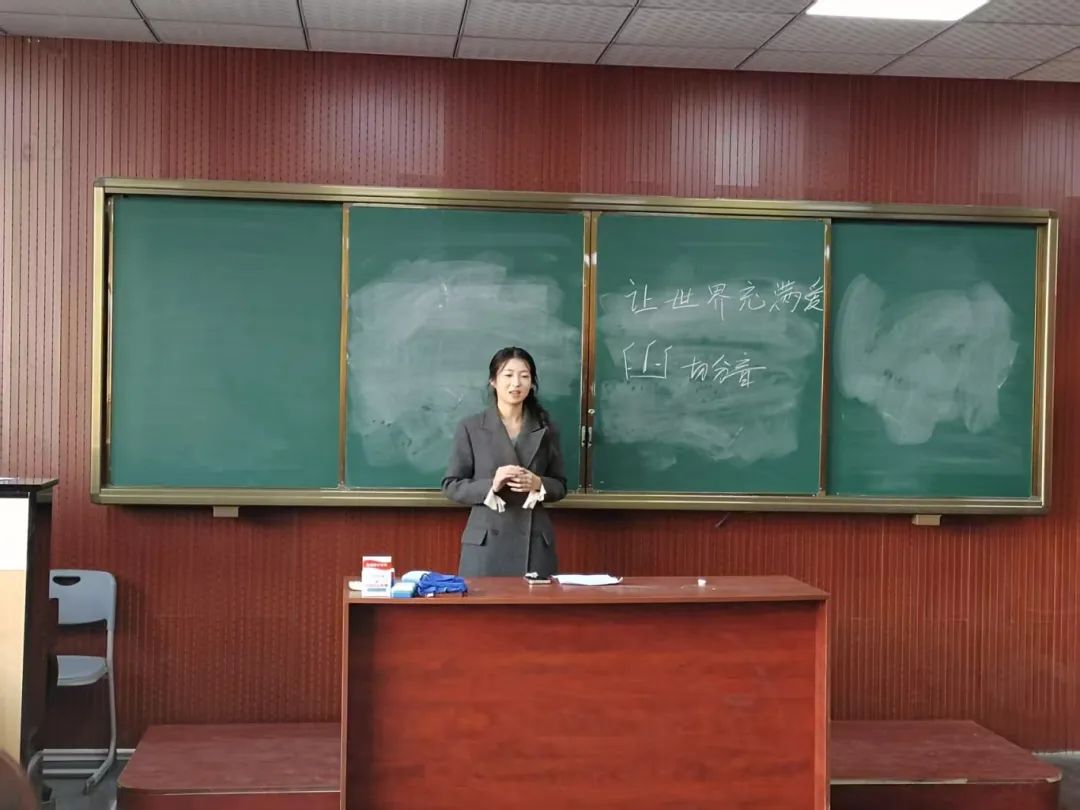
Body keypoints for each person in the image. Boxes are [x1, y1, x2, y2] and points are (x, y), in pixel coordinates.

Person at [442, 347, 567, 578]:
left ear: (532, 383)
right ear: (493, 381)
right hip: (486, 544)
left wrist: (538, 484)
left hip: (534, 543)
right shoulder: (471, 427)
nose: (516, 383)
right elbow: (451, 485)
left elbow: (560, 485)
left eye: (524, 376)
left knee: (534, 603)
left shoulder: (546, 428)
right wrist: (491, 485)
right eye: (508, 375)